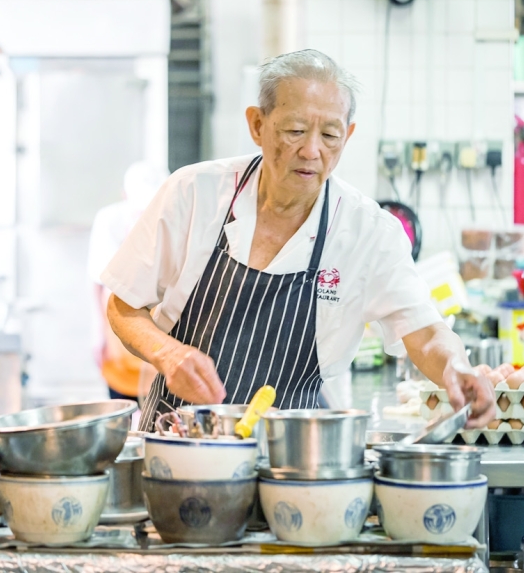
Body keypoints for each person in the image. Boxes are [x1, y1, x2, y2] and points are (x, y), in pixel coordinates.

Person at [101, 49, 495, 430]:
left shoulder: (369, 233)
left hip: (293, 457)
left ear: (348, 135)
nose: (311, 150)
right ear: (257, 124)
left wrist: (456, 367)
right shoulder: (194, 193)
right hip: (181, 443)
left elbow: (425, 333)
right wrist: (167, 353)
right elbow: (122, 305)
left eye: (329, 135)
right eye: (295, 131)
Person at [88, 161, 169, 401]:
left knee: (161, 412)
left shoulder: (174, 220)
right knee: (124, 412)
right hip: (119, 330)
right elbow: (97, 281)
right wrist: (98, 334)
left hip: (161, 333)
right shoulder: (109, 221)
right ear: (125, 197)